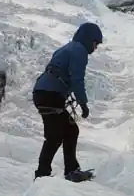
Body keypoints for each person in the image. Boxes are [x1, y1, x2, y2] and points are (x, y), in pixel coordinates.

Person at [32, 21, 103, 182]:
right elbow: (77, 79)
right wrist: (83, 104)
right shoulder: (79, 51)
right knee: (58, 134)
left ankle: (54, 171)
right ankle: (53, 173)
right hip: (51, 95)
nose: (95, 47)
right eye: (95, 43)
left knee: (65, 131)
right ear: (88, 39)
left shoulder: (66, 48)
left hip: (43, 93)